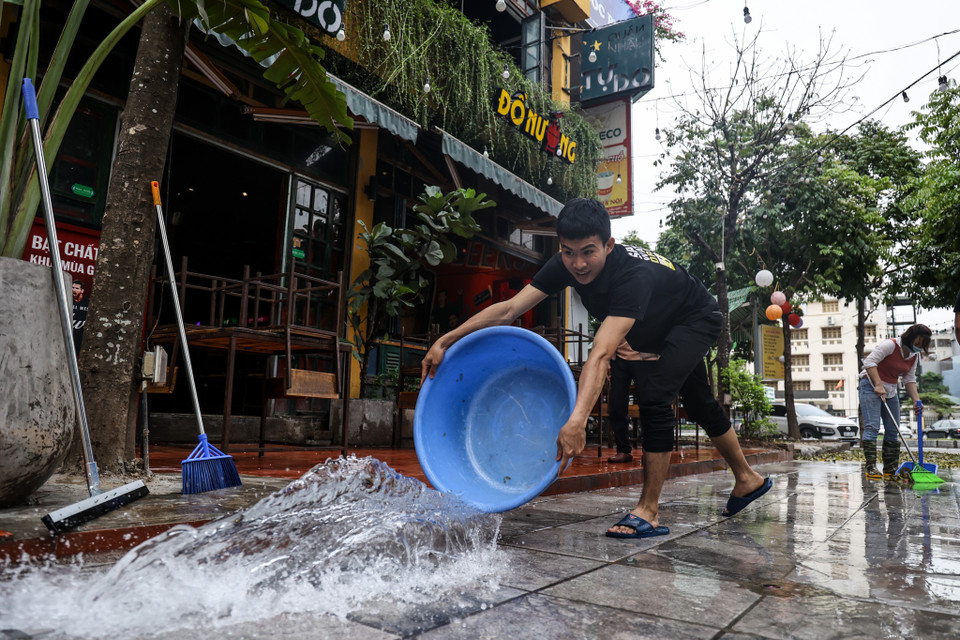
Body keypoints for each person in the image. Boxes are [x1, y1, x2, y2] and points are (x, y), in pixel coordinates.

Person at [422, 198, 770, 538]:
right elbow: (508, 309)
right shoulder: (564, 264)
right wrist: (446, 340)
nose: (579, 264)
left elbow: (601, 353)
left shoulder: (632, 276)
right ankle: (747, 479)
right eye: (568, 252)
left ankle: (647, 510)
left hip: (695, 319)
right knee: (697, 402)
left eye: (589, 251)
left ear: (609, 245)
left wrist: (576, 422)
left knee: (655, 395)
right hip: (660, 325)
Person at [858, 324, 930, 480]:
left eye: (922, 346)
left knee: (893, 429)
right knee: (872, 426)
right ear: (910, 338)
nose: (918, 348)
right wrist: (878, 384)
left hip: (890, 390)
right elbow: (869, 362)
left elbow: (909, 379)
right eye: (917, 344)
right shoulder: (890, 345)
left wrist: (917, 401)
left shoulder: (913, 356)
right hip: (870, 385)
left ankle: (890, 469)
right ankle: (871, 467)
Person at [606, 341, 660, 463]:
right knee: (616, 405)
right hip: (618, 358)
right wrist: (607, 359)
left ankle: (649, 450)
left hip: (647, 359)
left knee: (647, 406)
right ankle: (623, 450)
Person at [72, 278, 89, 353]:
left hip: (81, 341)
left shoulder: (88, 303)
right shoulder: (67, 300)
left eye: (76, 288)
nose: (74, 290)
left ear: (82, 291)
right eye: (73, 288)